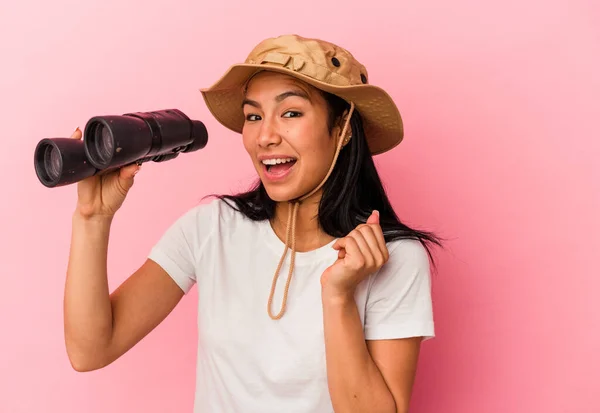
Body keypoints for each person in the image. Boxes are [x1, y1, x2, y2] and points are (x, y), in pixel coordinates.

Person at [63, 34, 443, 413]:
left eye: (291, 113)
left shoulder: (393, 257)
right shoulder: (211, 228)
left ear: (342, 127)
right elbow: (91, 350)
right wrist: (93, 217)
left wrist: (339, 297)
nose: (265, 136)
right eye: (253, 116)